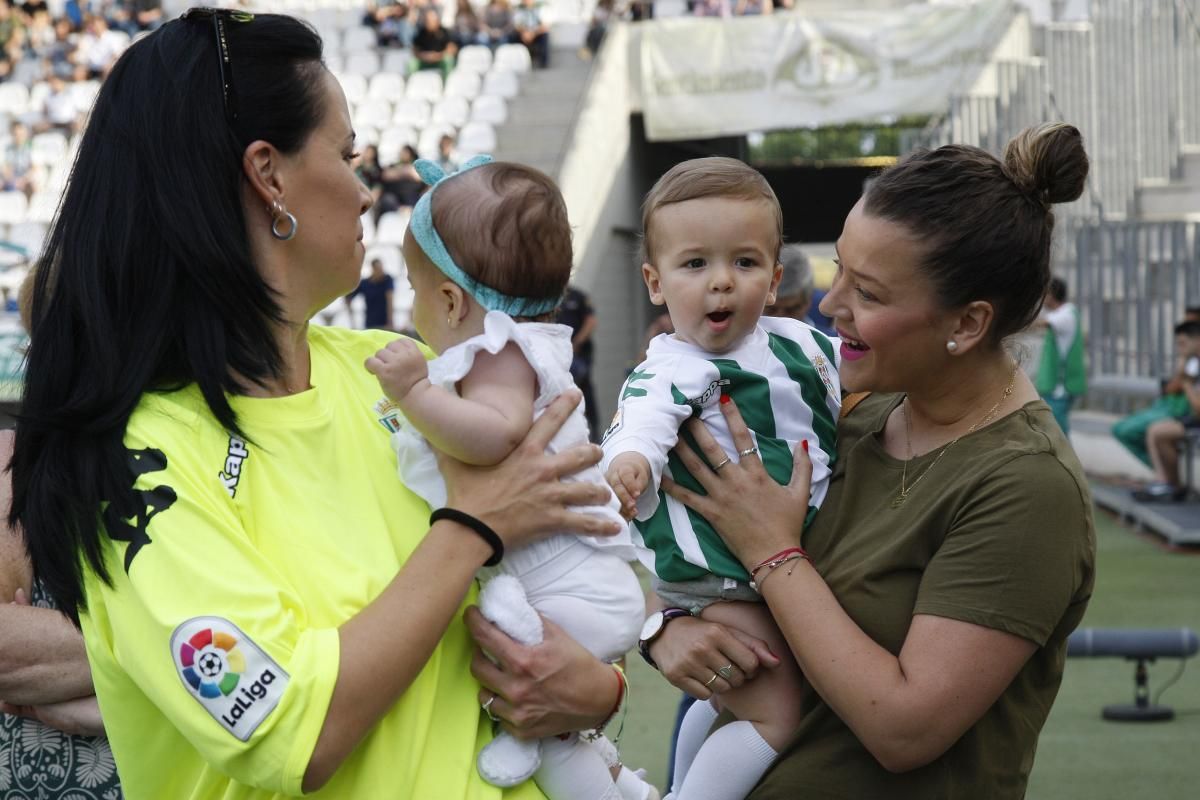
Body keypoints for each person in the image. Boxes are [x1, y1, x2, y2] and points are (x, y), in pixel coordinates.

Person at [8, 12, 627, 799]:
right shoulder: (139, 460)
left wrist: (596, 688)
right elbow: (289, 733)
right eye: (348, 155)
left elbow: (552, 586)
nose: (368, 190)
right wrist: (474, 527)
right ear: (269, 176)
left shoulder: (394, 373)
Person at [645, 123, 1096, 798]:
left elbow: (904, 730)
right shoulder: (858, 408)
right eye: (839, 273)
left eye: (869, 293)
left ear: (967, 325)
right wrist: (664, 628)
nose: (830, 305)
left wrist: (774, 554)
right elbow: (689, 541)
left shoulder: (1028, 485)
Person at [367, 156, 651, 800]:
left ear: (449, 300)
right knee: (568, 729)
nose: (413, 306)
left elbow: (496, 434)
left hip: (564, 589)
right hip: (574, 587)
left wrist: (413, 392)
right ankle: (618, 782)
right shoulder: (512, 348)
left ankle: (560, 762)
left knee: (544, 720)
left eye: (416, 288)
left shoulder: (496, 352)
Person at [602, 157, 841, 800]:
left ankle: (680, 781)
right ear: (655, 282)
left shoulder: (802, 344)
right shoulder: (673, 366)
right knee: (776, 712)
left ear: (775, 277)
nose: (721, 284)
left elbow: (854, 387)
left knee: (732, 696)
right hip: (723, 576)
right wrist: (630, 463)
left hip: (765, 566)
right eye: (695, 264)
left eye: (744, 262)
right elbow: (642, 421)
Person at [1111, 307, 1200, 468]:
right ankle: (1163, 479)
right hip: (1171, 407)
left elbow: (1182, 392)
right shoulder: (1190, 358)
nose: (1186, 329)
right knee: (1125, 430)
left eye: (1192, 324)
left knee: (1146, 432)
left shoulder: (1192, 359)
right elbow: (1171, 388)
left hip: (1179, 411)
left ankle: (1166, 481)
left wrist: (1184, 380)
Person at [1131, 320, 1200, 502]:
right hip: (1192, 419)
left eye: (1183, 344)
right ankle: (1168, 484)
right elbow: (1171, 387)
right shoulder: (1193, 363)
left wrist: (1186, 385)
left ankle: (1169, 485)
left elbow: (1198, 408)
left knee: (1158, 431)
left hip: (1196, 420)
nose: (1179, 348)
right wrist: (1184, 365)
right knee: (1156, 431)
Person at [1032, 276, 1086, 435]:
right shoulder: (1066, 313)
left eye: (1044, 294)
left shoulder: (1065, 314)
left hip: (1060, 388)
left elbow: (1038, 324)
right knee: (1053, 433)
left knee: (1058, 436)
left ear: (1051, 294)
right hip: (1057, 387)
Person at [555, 286, 600, 441]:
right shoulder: (552, 296)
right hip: (558, 354)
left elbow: (591, 321)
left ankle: (594, 433)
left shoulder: (578, 296)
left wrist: (577, 343)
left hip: (578, 354)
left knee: (582, 391)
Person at [763, 243, 815, 323]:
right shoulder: (739, 335)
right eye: (771, 309)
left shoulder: (830, 335)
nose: (780, 319)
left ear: (808, 302)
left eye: (791, 310)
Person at [346, 257, 395, 330]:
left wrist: (390, 322)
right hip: (370, 324)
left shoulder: (387, 279)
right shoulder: (364, 283)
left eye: (381, 268)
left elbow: (390, 299)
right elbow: (348, 298)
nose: (381, 271)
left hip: (385, 324)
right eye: (378, 269)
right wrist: (353, 321)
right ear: (373, 269)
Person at [412, 7, 457, 77]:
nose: (428, 23)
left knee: (448, 61)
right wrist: (424, 56)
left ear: (437, 21)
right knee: (412, 64)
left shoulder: (445, 32)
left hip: (440, 60)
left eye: (431, 21)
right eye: (427, 21)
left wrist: (437, 56)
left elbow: (452, 49)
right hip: (424, 61)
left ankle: (446, 84)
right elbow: (415, 50)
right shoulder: (421, 33)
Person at [511, 0, 549, 69]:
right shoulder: (519, 9)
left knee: (545, 35)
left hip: (536, 33)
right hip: (523, 34)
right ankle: (514, 60)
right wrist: (524, 33)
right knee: (512, 35)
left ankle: (543, 63)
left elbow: (544, 26)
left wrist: (533, 33)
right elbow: (516, 24)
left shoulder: (540, 9)